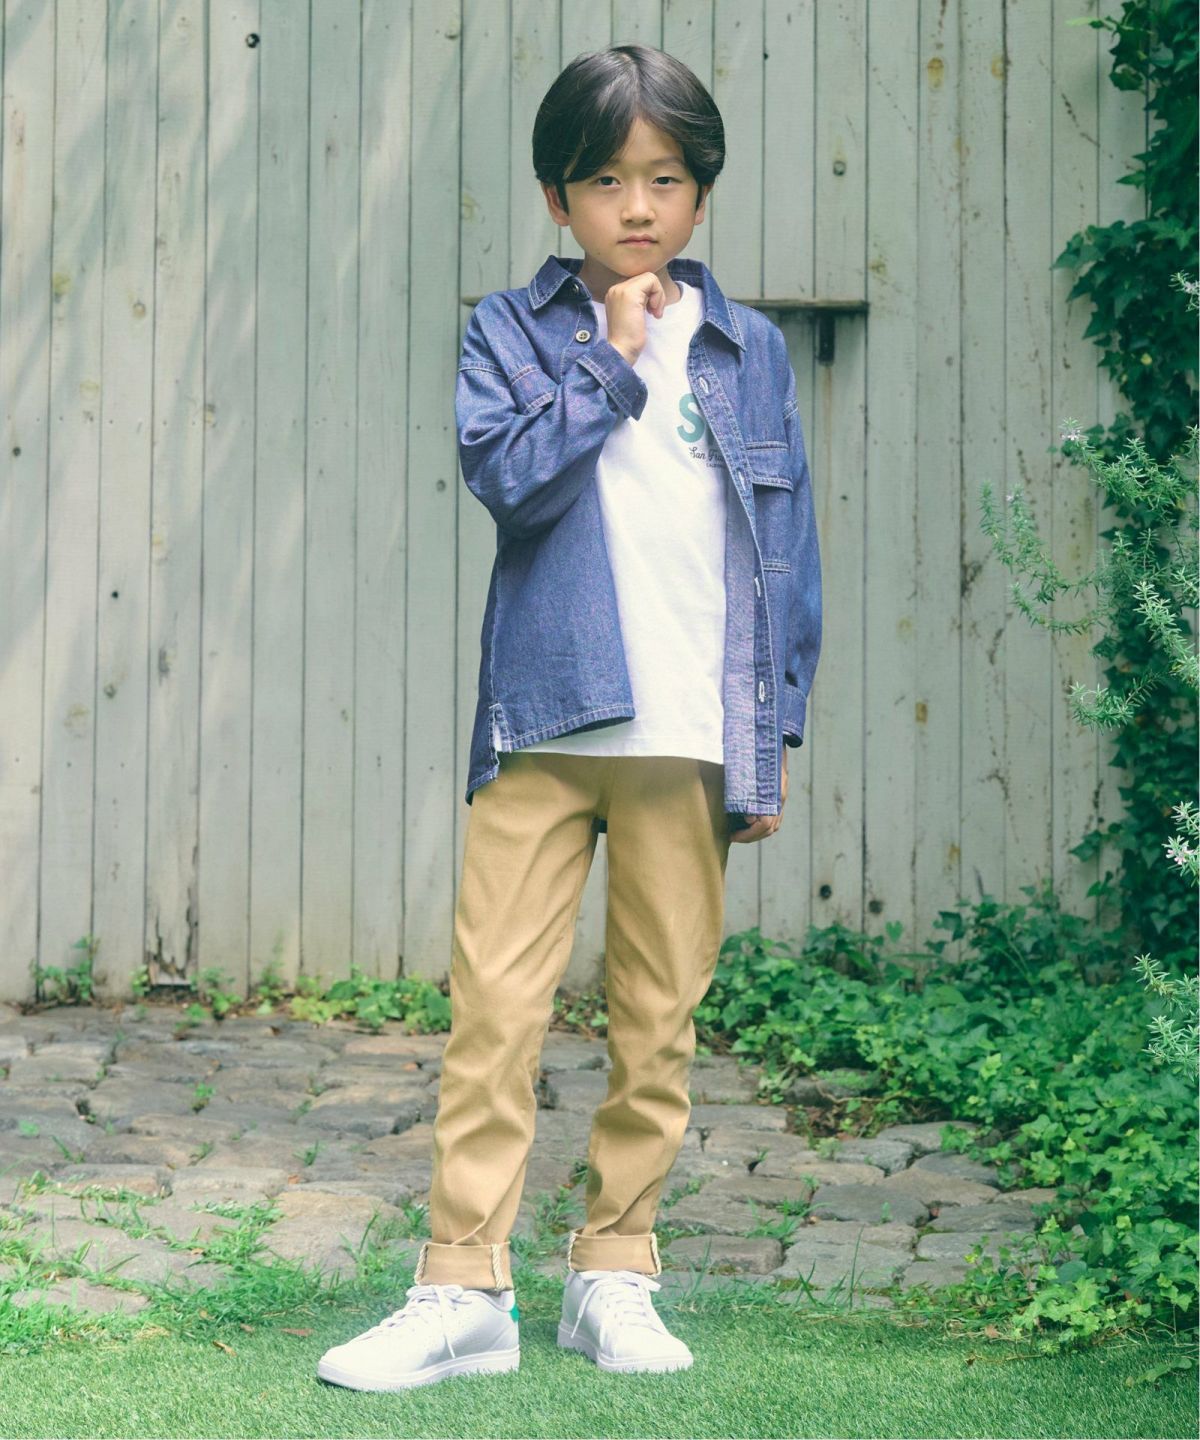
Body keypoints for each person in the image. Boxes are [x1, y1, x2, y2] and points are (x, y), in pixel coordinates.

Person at [318, 41, 821, 1393]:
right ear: (558, 198)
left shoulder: (753, 351)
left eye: (663, 178)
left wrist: (771, 736)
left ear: (701, 192)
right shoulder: (512, 329)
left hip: (690, 736)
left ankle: (615, 1273)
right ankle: (461, 1290)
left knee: (659, 1020)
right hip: (545, 725)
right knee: (495, 1011)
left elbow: (787, 551)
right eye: (604, 180)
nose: (635, 206)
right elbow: (510, 481)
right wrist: (609, 359)